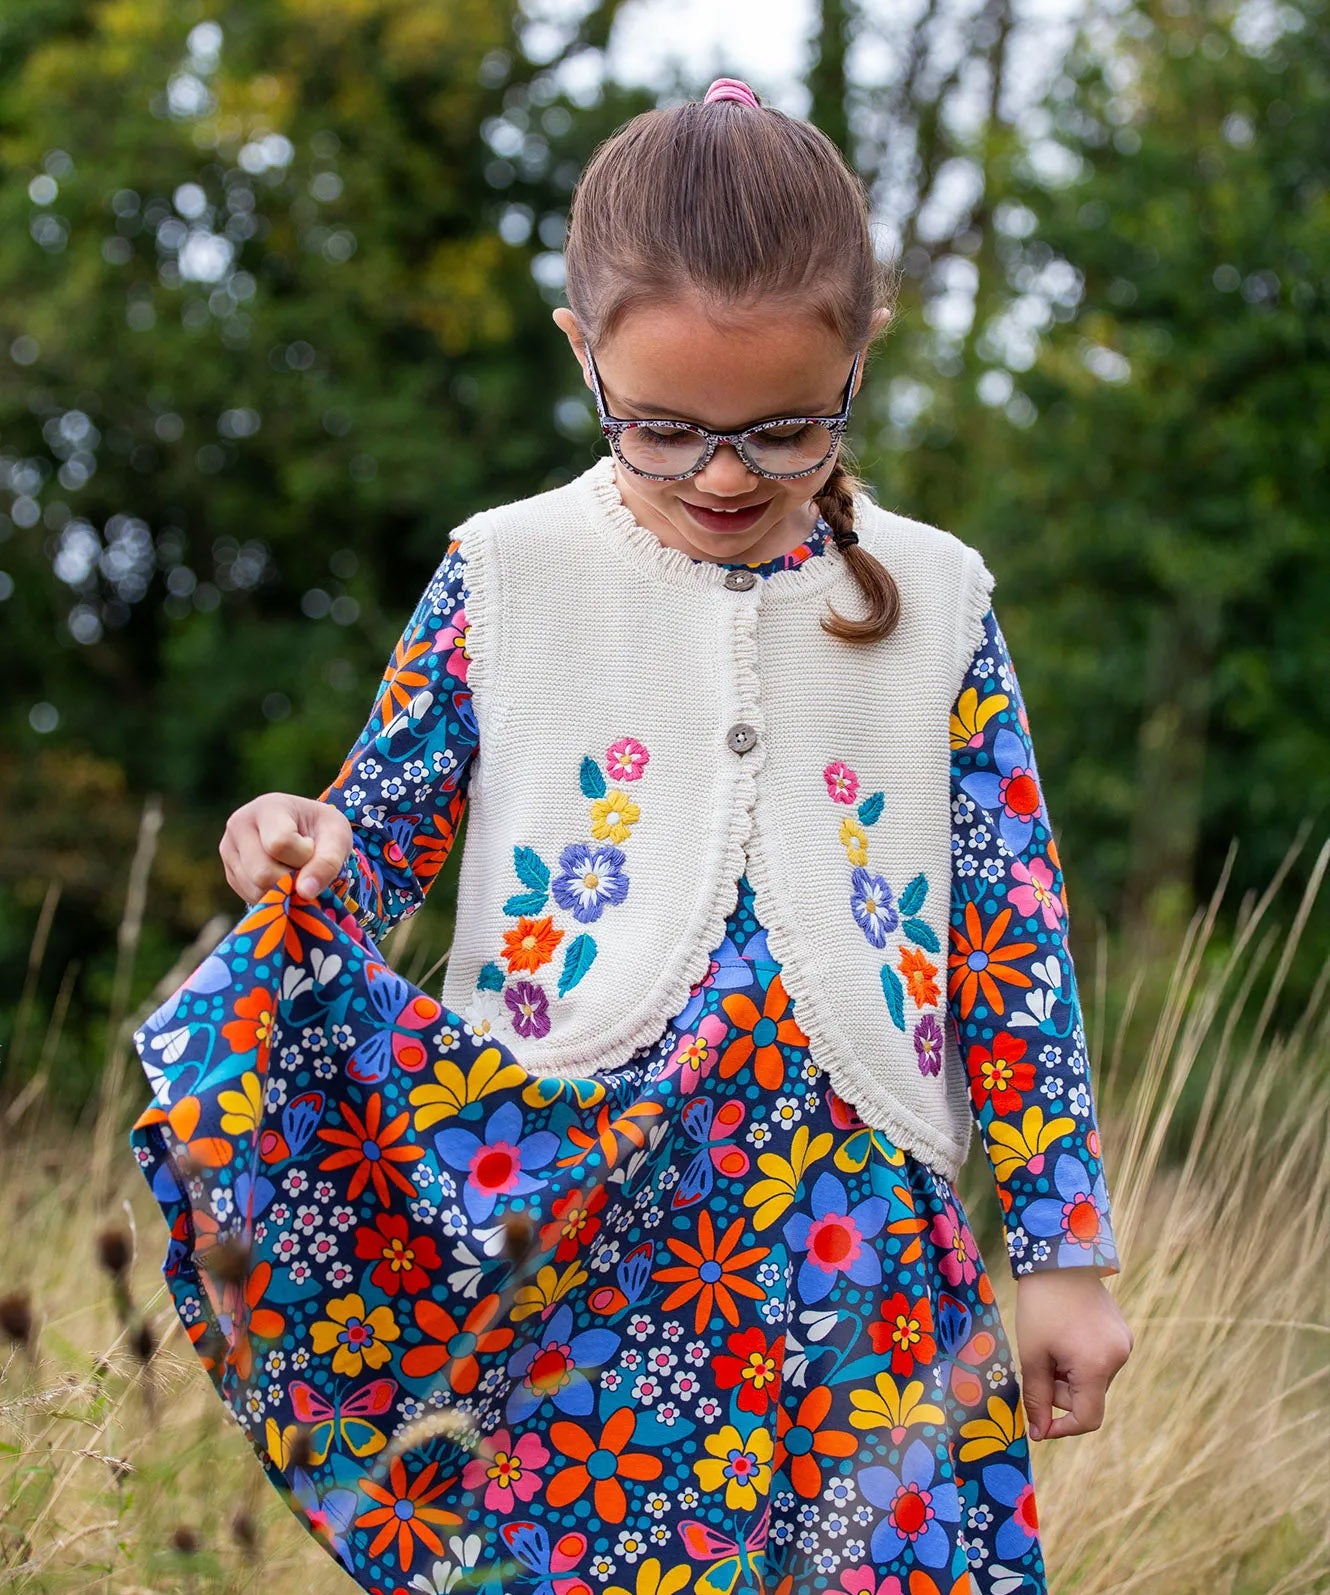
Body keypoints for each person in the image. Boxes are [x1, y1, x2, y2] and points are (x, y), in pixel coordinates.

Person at [130, 76, 1132, 1595]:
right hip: (567, 1228)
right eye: (663, 429)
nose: (723, 476)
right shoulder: (507, 571)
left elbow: (1013, 948)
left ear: (855, 359)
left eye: (782, 430)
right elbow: (378, 834)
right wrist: (304, 838)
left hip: (858, 1243)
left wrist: (1061, 1260)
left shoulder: (937, 603)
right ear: (582, 352)